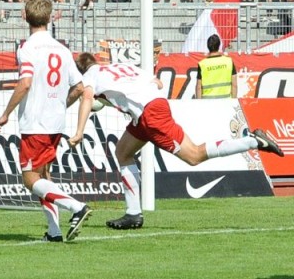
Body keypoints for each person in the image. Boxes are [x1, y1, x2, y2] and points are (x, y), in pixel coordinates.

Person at [69, 52, 283, 230]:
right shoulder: (121, 67)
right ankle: (133, 214)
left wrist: (79, 131)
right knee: (122, 152)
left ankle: (252, 141)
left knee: (194, 156)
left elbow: (86, 96)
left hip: (151, 114)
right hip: (147, 110)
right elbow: (159, 82)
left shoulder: (90, 75)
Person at [0, 0, 92, 243]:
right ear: (49, 18)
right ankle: (54, 231)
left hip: (35, 123)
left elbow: (25, 83)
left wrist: (5, 114)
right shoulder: (62, 49)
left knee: (30, 179)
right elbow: (79, 88)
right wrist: (60, 104)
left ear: (25, 17)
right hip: (55, 123)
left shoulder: (27, 48)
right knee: (44, 175)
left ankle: (77, 207)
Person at [195, 34, 236, 98]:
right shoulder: (229, 61)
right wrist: (233, 101)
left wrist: (200, 104)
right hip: (226, 102)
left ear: (208, 46)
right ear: (219, 46)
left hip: (208, 103)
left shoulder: (202, 64)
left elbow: (198, 88)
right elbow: (234, 85)